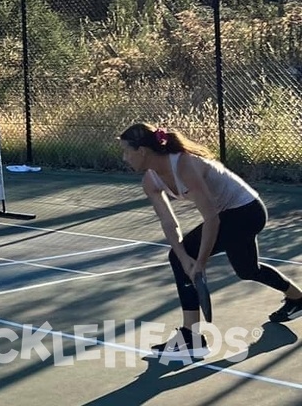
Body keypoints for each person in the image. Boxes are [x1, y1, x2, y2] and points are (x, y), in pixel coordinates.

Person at [118, 122, 302, 359]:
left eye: (126, 151)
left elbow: (212, 219)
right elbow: (169, 223)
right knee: (246, 270)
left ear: (142, 151)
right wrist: (186, 258)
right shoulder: (150, 181)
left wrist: (200, 262)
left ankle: (191, 338)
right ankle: (298, 298)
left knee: (180, 257)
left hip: (247, 211)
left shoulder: (183, 165)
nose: (124, 157)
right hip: (231, 215)